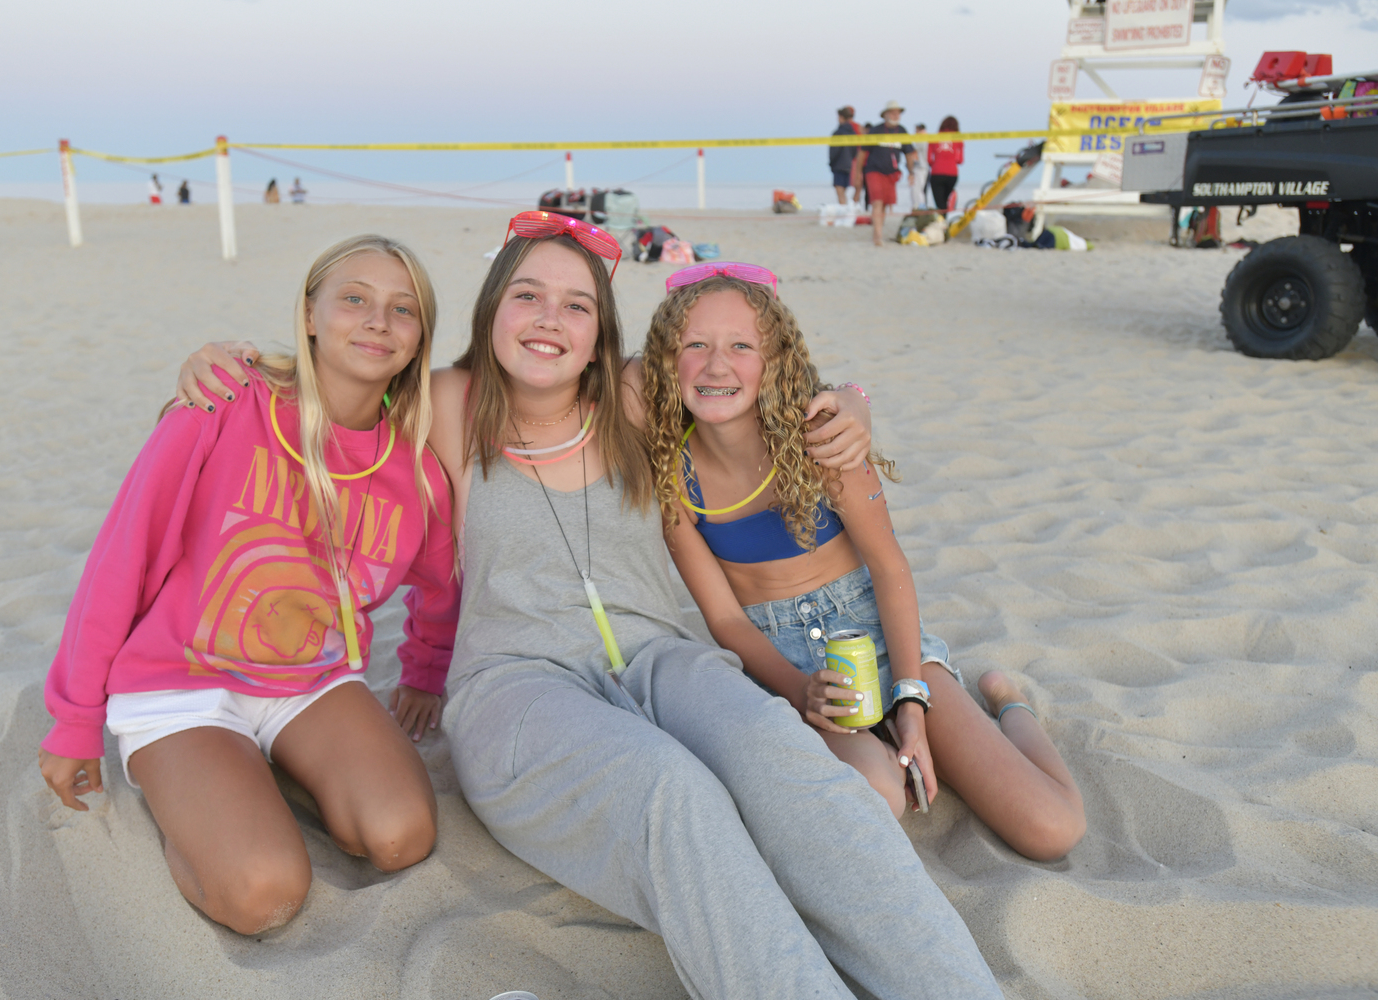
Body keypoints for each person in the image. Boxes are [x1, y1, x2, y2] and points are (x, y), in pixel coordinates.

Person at [173, 212, 1002, 1000]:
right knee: (671, 794)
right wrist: (223, 363)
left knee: (783, 761)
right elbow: (323, 392)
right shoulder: (445, 404)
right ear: (494, 306)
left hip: (665, 661)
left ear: (599, 333)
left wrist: (853, 398)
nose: (549, 319)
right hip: (516, 688)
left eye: (577, 304)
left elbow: (752, 373)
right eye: (528, 295)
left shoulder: (636, 400)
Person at [38, 235, 460, 936]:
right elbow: (122, 559)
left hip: (311, 682)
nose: (378, 321)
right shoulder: (227, 401)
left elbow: (440, 584)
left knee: (399, 837)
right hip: (181, 682)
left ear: (420, 340)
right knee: (263, 895)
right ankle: (207, 798)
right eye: (354, 298)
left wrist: (424, 671)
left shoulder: (415, 464)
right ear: (311, 313)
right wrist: (76, 720)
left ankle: (264, 771)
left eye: (403, 310)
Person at [638, 264, 1087, 861]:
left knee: (1052, 830)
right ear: (669, 362)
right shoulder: (673, 476)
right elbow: (726, 621)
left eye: (741, 346)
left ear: (775, 361)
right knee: (880, 790)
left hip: (882, 638)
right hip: (784, 662)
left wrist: (911, 703)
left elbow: (890, 571)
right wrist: (801, 693)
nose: (717, 365)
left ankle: (1009, 705)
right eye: (695, 345)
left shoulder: (825, 443)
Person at [852, 100, 917, 246]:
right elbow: (862, 153)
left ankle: (877, 230)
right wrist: (858, 174)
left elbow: (908, 153)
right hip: (874, 170)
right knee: (877, 201)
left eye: (898, 113)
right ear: (886, 114)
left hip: (892, 173)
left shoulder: (902, 131)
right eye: (893, 112)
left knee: (886, 204)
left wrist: (911, 172)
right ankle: (878, 236)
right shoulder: (876, 130)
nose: (896, 115)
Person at [929, 116, 964, 212]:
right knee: (946, 202)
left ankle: (944, 221)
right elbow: (960, 160)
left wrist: (938, 162)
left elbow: (929, 159)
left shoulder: (934, 138)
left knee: (940, 204)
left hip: (937, 172)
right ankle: (950, 209)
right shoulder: (958, 139)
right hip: (952, 173)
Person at [828, 106, 860, 206]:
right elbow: (856, 150)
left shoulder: (838, 133)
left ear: (842, 117)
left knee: (840, 192)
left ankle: (844, 212)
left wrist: (832, 163)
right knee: (844, 192)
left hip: (839, 165)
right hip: (849, 165)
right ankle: (848, 210)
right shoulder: (854, 133)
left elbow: (834, 152)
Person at [909, 124, 930, 210]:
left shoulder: (922, 138)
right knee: (918, 189)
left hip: (921, 166)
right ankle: (919, 207)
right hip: (922, 166)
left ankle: (920, 207)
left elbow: (914, 149)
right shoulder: (926, 138)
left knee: (917, 189)